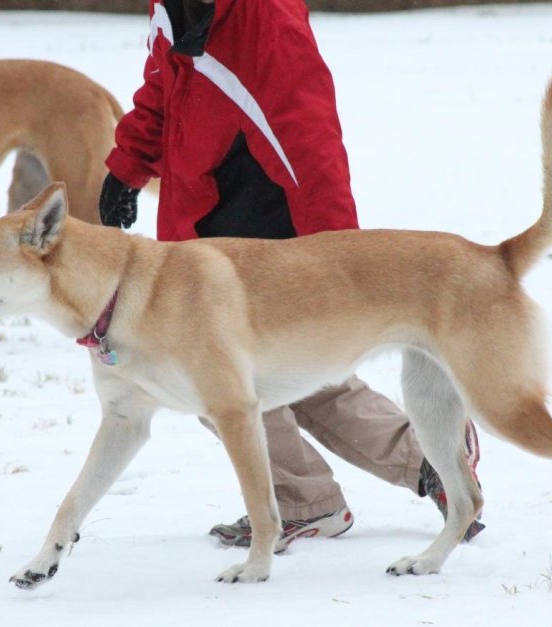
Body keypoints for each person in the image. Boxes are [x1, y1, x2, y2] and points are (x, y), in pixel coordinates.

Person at [98, 0, 484, 552]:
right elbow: (164, 86)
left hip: (277, 230)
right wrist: (127, 167)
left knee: (220, 379)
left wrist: (339, 249)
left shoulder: (266, 19)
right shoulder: (175, 7)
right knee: (295, 376)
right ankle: (423, 459)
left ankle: (315, 499)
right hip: (204, 224)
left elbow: (311, 134)